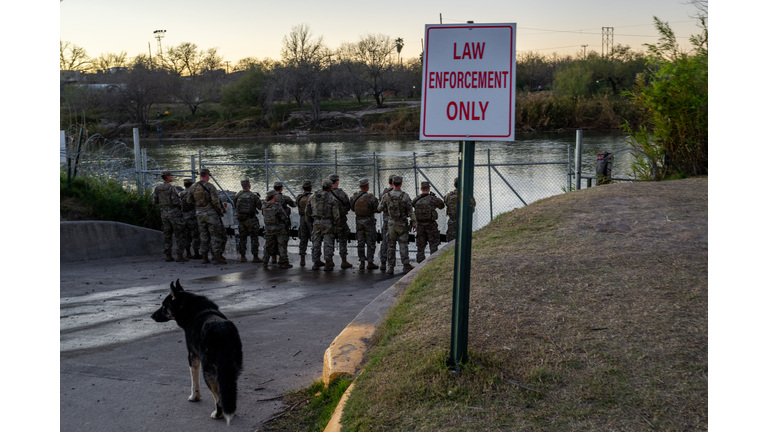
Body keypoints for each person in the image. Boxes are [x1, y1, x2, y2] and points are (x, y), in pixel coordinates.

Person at [185, 168, 227, 264]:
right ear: (207, 175)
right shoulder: (210, 186)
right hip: (211, 215)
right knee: (215, 235)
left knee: (203, 236)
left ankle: (204, 257)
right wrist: (220, 210)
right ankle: (217, 257)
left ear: (200, 175)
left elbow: (189, 201)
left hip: (200, 215)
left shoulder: (193, 187)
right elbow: (215, 201)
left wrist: (199, 206)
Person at [378, 175, 416, 274]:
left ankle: (390, 267)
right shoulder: (405, 196)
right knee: (403, 245)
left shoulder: (386, 195)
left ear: (392, 183)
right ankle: (406, 265)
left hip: (391, 225)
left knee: (391, 246)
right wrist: (414, 223)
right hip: (402, 225)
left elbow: (379, 208)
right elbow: (410, 212)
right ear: (401, 184)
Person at [153, 171, 189, 262]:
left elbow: (155, 201)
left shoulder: (157, 188)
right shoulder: (171, 188)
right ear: (167, 177)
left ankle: (168, 255)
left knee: (167, 234)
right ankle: (179, 255)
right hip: (174, 214)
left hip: (164, 214)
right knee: (179, 234)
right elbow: (176, 201)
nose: (172, 176)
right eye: (171, 175)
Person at [306, 179, 340, 271]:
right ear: (329, 188)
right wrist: (335, 224)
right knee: (328, 243)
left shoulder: (313, 196)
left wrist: (311, 221)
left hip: (316, 222)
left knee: (316, 242)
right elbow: (336, 215)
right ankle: (328, 263)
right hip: (327, 223)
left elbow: (307, 211)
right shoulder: (331, 198)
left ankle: (316, 262)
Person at [351, 178, 380, 270]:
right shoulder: (371, 197)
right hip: (369, 223)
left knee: (360, 242)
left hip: (358, 222)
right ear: (367, 186)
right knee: (371, 242)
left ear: (360, 186)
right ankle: (370, 262)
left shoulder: (354, 197)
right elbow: (377, 209)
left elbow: (352, 208)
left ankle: (362, 262)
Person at [412, 181, 445, 263]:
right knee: (433, 244)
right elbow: (442, 206)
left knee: (420, 245)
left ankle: (420, 263)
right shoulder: (433, 199)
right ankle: (433, 262)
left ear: (421, 189)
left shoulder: (416, 199)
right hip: (431, 225)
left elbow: (412, 205)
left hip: (420, 226)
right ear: (429, 189)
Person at [233, 178, 263, 263]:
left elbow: (235, 205)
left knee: (242, 238)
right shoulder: (253, 196)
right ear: (249, 185)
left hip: (241, 220)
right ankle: (255, 257)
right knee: (254, 238)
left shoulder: (237, 195)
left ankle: (242, 256)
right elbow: (260, 207)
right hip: (251, 220)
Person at [261, 189, 292, 268]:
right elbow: (283, 217)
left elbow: (263, 215)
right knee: (282, 245)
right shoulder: (277, 205)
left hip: (268, 228)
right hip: (279, 228)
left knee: (268, 245)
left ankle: (265, 261)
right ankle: (285, 262)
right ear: (274, 196)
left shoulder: (264, 205)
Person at [328, 173, 353, 269]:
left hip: (329, 221)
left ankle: (329, 261)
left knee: (329, 241)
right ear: (337, 182)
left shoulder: (326, 193)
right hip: (341, 220)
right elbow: (348, 205)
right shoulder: (341, 193)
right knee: (343, 240)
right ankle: (344, 261)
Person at [270, 181, 297, 264]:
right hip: (283, 222)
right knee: (283, 240)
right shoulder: (285, 198)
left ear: (274, 188)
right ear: (281, 188)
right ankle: (281, 258)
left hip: (271, 221)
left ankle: (273, 258)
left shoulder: (270, 198)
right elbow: (294, 205)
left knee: (273, 239)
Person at [444, 177, 476, 243]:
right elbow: (473, 205)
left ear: (454, 185)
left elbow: (445, 203)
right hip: (464, 221)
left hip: (452, 222)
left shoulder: (448, 196)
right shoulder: (467, 195)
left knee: (451, 242)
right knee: (465, 240)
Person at [179, 178, 202, 259]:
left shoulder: (181, 194)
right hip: (193, 217)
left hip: (184, 216)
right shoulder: (193, 193)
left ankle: (188, 253)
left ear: (184, 185)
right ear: (192, 185)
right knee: (195, 235)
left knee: (186, 235)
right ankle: (196, 253)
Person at [378, 175, 394, 272]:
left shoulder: (383, 193)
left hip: (386, 220)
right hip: (397, 221)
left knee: (385, 242)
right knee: (399, 243)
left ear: (389, 182)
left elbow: (380, 207)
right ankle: (403, 263)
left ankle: (383, 263)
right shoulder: (401, 194)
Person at [296, 180, 314, 267]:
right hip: (311, 219)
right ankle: (316, 259)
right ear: (310, 187)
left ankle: (302, 259)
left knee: (303, 239)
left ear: (303, 188)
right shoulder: (313, 196)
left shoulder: (299, 197)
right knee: (314, 239)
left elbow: (297, 205)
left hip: (302, 219)